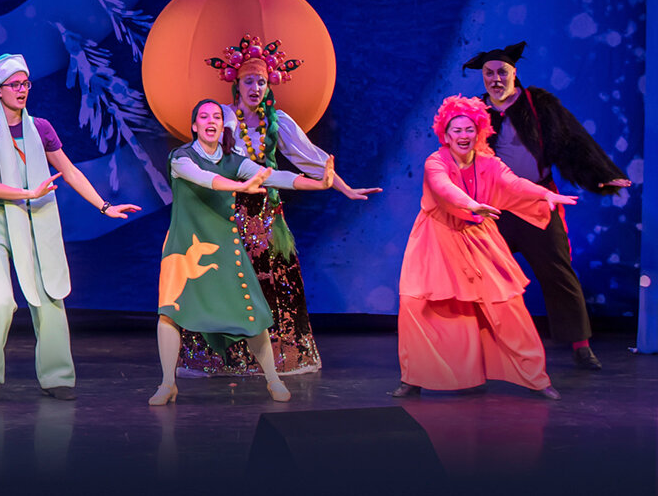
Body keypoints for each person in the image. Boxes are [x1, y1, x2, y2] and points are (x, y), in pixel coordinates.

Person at [180, 36, 380, 376]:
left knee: (273, 285)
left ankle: (273, 357)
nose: (255, 88)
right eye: (249, 81)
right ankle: (224, 357)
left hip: (266, 216)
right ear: (237, 84)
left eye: (261, 82)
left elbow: (314, 161)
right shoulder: (223, 118)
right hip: (227, 214)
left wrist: (345, 189)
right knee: (227, 282)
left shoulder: (278, 122)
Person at [0, 53, 139, 401]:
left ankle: (57, 375)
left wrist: (104, 206)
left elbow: (69, 171)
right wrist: (29, 192)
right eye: (14, 84)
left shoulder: (40, 128)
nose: (22, 90)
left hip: (34, 218)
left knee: (50, 296)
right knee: (1, 303)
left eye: (25, 83)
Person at [150, 99, 336, 406]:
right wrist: (241, 186)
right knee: (170, 313)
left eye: (216, 116)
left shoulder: (233, 160)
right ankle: (167, 384)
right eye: (204, 116)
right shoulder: (181, 158)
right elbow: (206, 179)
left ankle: (273, 380)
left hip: (224, 247)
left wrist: (318, 184)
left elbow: (272, 175)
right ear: (195, 125)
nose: (211, 121)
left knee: (252, 315)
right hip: (184, 247)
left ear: (222, 125)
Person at [392, 95, 575, 400]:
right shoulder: (436, 162)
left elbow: (514, 184)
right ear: (446, 134)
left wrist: (544, 195)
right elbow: (442, 188)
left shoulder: (489, 163)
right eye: (457, 130)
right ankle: (414, 377)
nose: (463, 135)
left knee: (507, 306)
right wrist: (471, 204)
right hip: (436, 238)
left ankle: (537, 379)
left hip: (479, 237)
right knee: (419, 306)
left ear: (479, 131)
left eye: (469, 129)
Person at [463, 42, 631, 370]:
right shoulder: (475, 111)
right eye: (489, 73)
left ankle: (581, 346)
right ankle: (478, 345)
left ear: (514, 73)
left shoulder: (537, 105)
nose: (495, 79)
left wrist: (601, 176)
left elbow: (572, 140)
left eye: (502, 72)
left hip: (537, 203)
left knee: (558, 273)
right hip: (494, 208)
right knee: (480, 275)